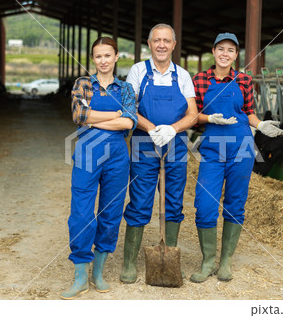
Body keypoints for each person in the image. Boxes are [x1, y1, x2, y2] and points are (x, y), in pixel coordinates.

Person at [190, 33, 283, 283]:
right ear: (213, 51)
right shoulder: (199, 79)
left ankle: (225, 261)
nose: (225, 53)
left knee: (235, 202)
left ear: (235, 55)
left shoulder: (244, 80)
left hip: (241, 144)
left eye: (230, 50)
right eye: (220, 48)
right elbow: (192, 115)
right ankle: (208, 260)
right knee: (204, 204)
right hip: (212, 145)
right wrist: (209, 118)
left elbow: (249, 112)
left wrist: (261, 124)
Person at [120, 23, 198, 283]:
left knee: (173, 202)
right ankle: (130, 263)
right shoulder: (138, 71)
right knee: (140, 202)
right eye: (157, 40)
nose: (162, 45)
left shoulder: (183, 75)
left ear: (174, 45)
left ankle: (169, 254)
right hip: (144, 143)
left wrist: (172, 129)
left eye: (167, 40)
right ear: (150, 44)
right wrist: (152, 128)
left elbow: (193, 114)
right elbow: (128, 108)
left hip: (175, 145)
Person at [61, 37, 137, 299]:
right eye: (98, 56)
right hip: (87, 153)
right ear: (93, 59)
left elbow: (129, 123)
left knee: (111, 211)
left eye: (108, 55)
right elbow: (78, 116)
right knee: (81, 212)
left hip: (117, 156)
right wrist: (114, 116)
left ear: (116, 57)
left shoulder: (126, 88)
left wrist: (94, 119)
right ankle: (81, 274)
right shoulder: (83, 84)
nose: (103, 60)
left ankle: (98, 272)